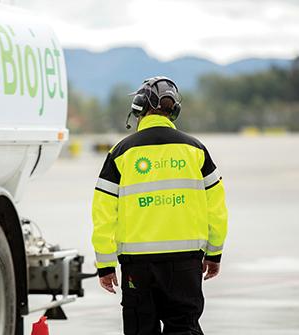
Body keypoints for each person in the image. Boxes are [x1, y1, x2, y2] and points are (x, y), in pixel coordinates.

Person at [91, 76, 228, 334]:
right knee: (184, 327)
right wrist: (214, 253)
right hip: (186, 265)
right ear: (174, 110)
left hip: (137, 266)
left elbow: (103, 214)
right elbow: (217, 208)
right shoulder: (196, 150)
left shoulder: (121, 153)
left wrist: (105, 264)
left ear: (139, 108)